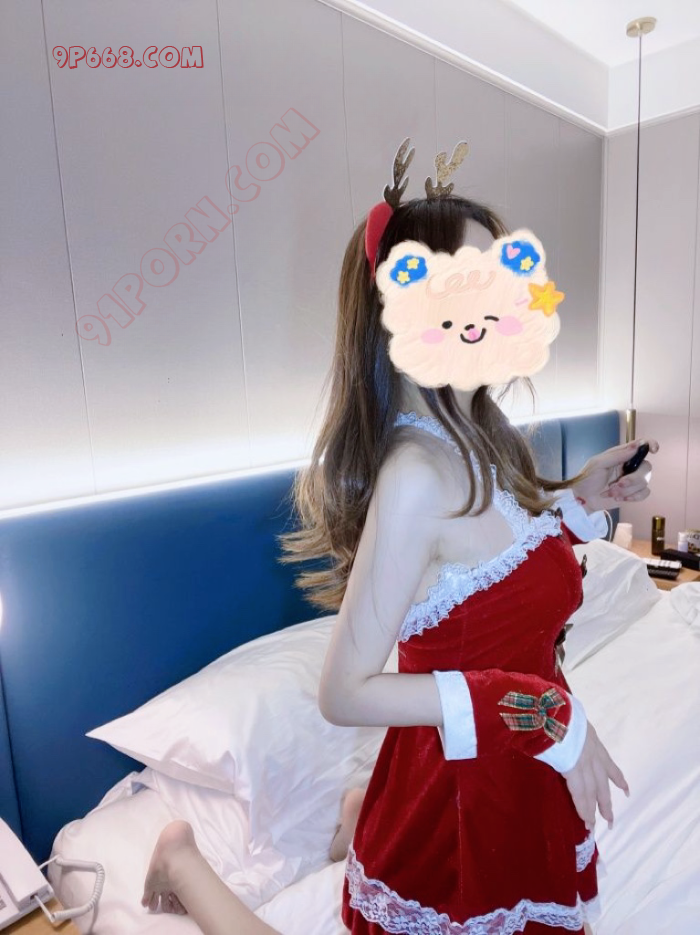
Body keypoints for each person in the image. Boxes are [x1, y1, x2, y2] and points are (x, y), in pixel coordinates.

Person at [141, 141, 658, 934]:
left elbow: (494, 576)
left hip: (512, 766)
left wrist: (577, 502)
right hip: (458, 791)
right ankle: (181, 855)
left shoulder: (489, 437)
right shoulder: (415, 474)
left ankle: (361, 813)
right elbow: (344, 690)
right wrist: (541, 709)